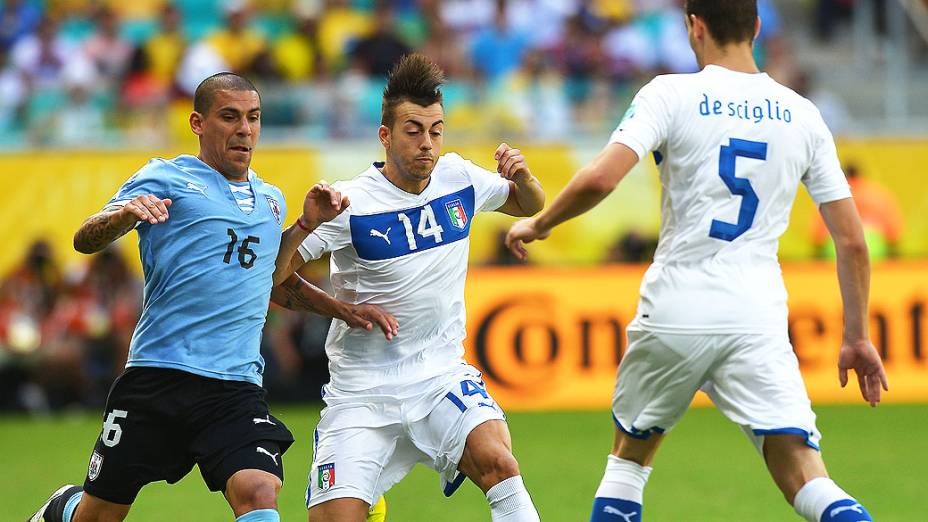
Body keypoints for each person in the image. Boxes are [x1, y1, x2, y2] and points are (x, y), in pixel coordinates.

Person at [505, 2, 888, 521]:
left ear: (694, 26)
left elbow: (601, 178)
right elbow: (853, 242)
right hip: (757, 315)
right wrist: (857, 335)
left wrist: (540, 223)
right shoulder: (803, 113)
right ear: (755, 27)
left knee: (629, 460)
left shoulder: (671, 94)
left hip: (677, 303)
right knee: (804, 473)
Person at [28, 72, 396, 522]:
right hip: (159, 376)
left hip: (234, 385)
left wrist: (315, 249)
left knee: (259, 489)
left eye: (253, 118)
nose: (244, 129)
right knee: (98, 515)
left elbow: (271, 278)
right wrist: (124, 214)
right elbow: (85, 239)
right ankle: (64, 510)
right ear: (198, 123)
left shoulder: (271, 200)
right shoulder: (165, 176)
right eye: (230, 117)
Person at [276, 53, 546, 522]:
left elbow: (528, 204)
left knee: (500, 463)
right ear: (385, 135)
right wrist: (313, 244)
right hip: (362, 390)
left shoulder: (458, 177)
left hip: (439, 374)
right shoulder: (350, 202)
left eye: (436, 130)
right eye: (413, 130)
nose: (427, 144)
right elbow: (273, 279)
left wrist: (522, 176)